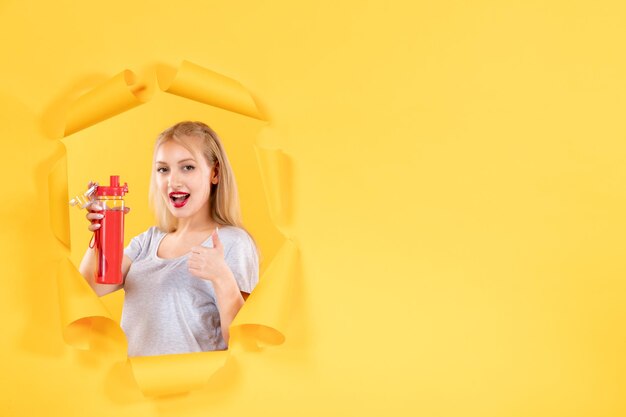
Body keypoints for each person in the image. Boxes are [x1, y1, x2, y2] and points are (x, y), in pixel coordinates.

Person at [78, 121, 259, 357]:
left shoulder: (233, 243)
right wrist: (100, 233)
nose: (173, 181)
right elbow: (88, 288)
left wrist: (222, 277)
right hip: (134, 389)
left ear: (214, 173)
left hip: (194, 389)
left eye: (187, 167)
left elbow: (243, 342)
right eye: (163, 169)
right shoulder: (148, 242)